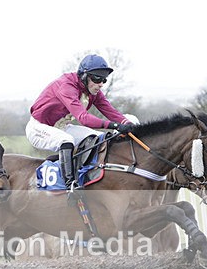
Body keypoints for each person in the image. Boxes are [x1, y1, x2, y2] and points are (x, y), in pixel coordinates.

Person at [26, 54, 138, 189]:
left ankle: (88, 173)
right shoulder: (67, 86)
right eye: (97, 79)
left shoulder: (92, 91)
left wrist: (128, 123)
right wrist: (115, 126)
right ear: (84, 76)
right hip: (38, 128)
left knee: (97, 138)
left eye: (104, 80)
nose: (100, 84)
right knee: (66, 140)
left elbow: (110, 111)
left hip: (61, 127)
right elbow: (83, 118)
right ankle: (70, 184)